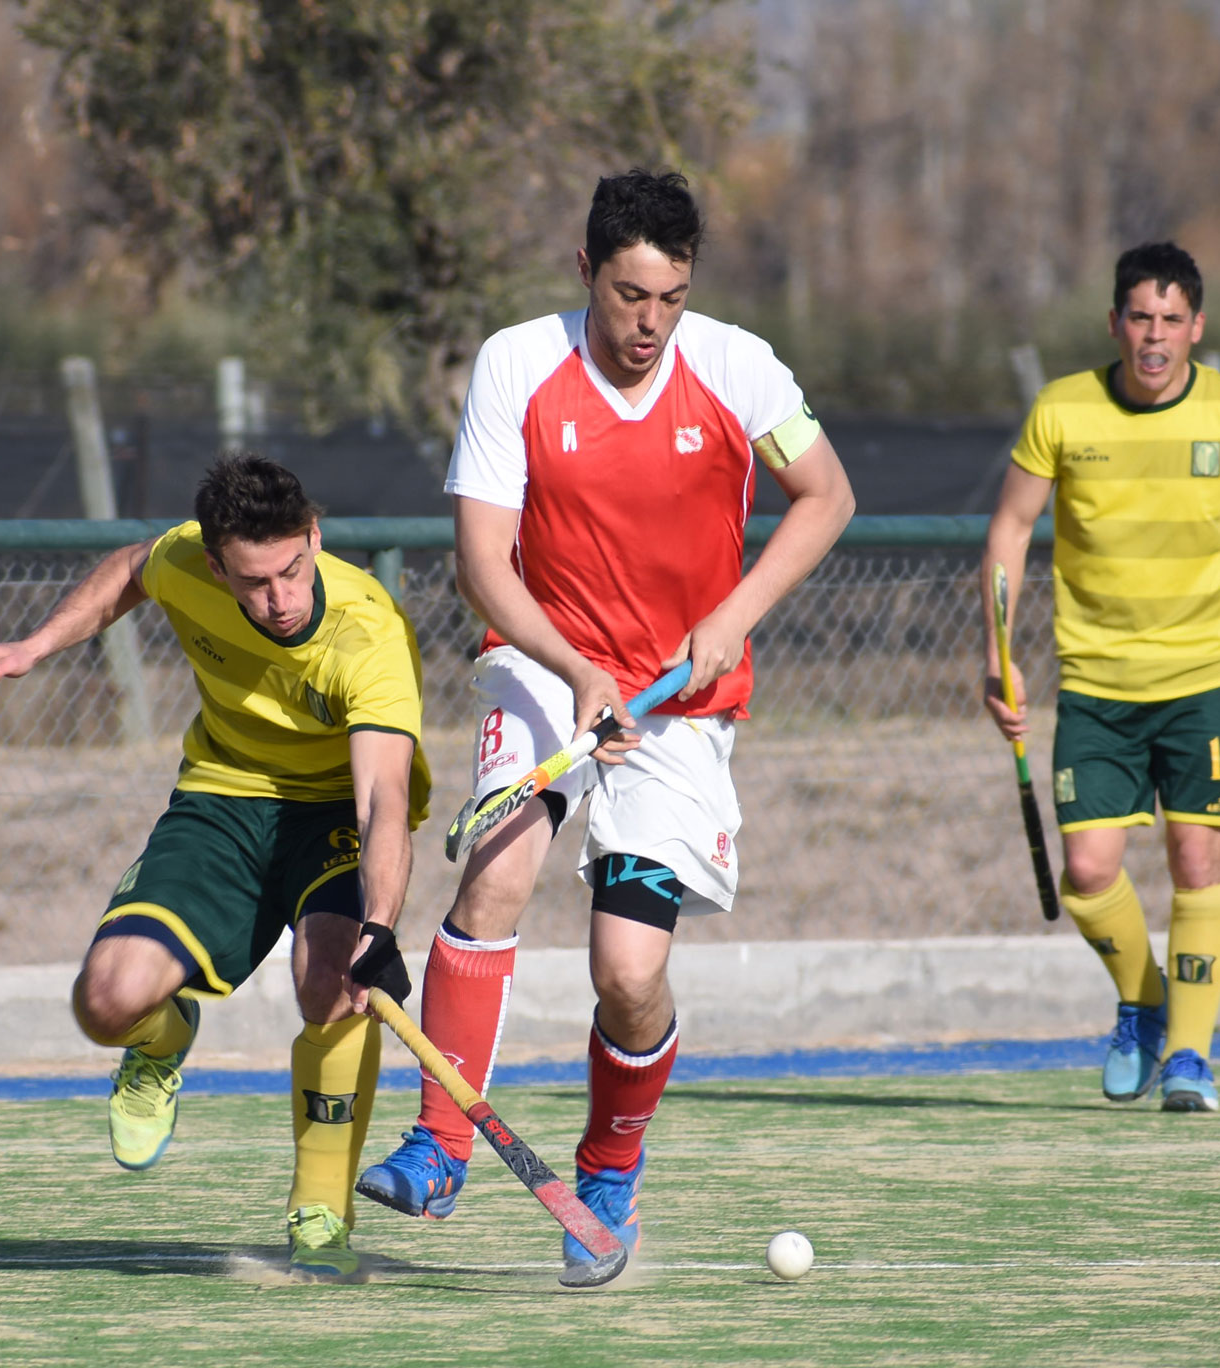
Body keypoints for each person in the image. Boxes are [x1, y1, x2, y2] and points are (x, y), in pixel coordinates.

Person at [355, 168, 855, 1274]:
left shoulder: (735, 366)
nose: (649, 324)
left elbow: (827, 495)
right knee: (493, 870)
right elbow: (484, 564)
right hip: (545, 669)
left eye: (670, 297)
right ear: (586, 270)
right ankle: (439, 1147)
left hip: (680, 709)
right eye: (630, 295)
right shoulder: (516, 364)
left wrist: (731, 616)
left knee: (627, 973)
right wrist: (573, 667)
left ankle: (609, 1172)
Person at [0, 454, 428, 1282]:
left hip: (331, 809)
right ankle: (161, 1038)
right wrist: (36, 645)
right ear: (217, 566)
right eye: (255, 582)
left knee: (330, 978)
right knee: (107, 1000)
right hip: (220, 798)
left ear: (314, 538)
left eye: (294, 569)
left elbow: (382, 805)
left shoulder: (368, 633)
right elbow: (131, 569)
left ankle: (321, 1210)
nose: (281, 599)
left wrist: (380, 928)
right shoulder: (188, 559)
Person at [981, 241, 1220, 1113]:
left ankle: (1190, 1057)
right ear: (1114, 324)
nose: (1155, 336)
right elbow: (1011, 531)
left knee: (1195, 857)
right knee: (1089, 873)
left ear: (1196, 327)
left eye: (1172, 320)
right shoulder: (1062, 410)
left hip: (1203, 677)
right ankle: (1145, 999)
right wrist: (996, 649)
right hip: (1095, 680)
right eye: (1140, 317)